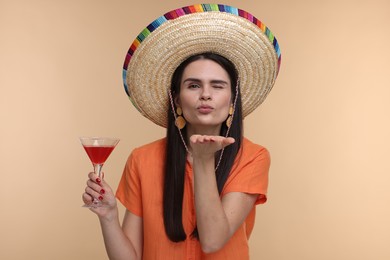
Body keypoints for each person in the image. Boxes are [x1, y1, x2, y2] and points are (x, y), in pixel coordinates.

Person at [82, 3, 281, 260]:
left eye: (217, 86)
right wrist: (109, 216)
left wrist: (202, 159)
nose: (205, 95)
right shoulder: (142, 159)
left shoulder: (253, 157)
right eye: (194, 85)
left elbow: (212, 241)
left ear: (233, 100)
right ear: (176, 99)